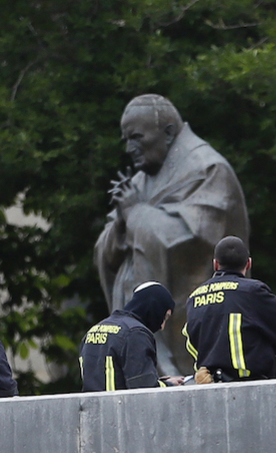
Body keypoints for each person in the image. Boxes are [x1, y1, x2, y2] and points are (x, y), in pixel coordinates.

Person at [95, 94, 249, 376]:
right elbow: (105, 248)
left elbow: (198, 237)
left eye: (137, 137)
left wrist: (136, 215)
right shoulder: (141, 180)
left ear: (167, 132)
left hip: (186, 319)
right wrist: (121, 224)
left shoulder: (208, 169)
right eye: (126, 139)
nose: (130, 148)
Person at [183, 236, 276, 382]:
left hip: (207, 387)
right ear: (249, 263)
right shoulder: (253, 292)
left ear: (215, 264)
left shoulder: (194, 298)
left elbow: (191, 342)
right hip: (250, 387)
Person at [79, 281, 184, 391]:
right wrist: (170, 385)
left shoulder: (95, 330)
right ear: (154, 307)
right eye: (165, 317)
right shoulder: (136, 334)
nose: (162, 326)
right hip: (120, 407)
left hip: (93, 407)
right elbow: (145, 389)